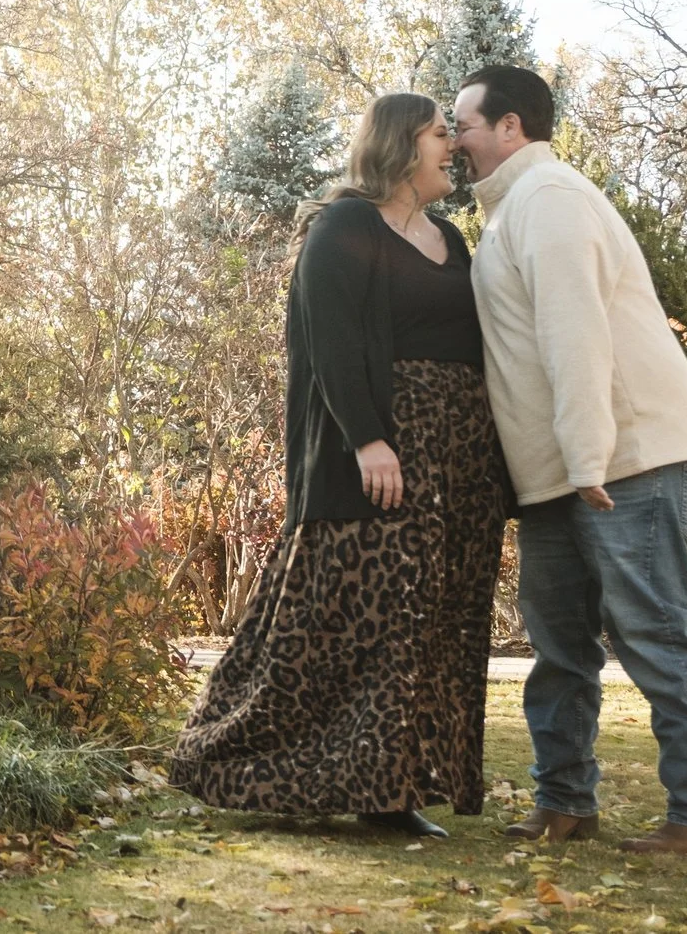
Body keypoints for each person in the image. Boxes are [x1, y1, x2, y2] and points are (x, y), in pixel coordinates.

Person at [171, 93, 512, 838]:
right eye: (436, 133)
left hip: (455, 465)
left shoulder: (451, 239)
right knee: (353, 622)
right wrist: (369, 438)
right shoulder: (345, 225)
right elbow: (328, 340)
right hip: (383, 457)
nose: (450, 144)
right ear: (398, 144)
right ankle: (234, 757)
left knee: (428, 625)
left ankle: (392, 785)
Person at [452, 64, 687, 856]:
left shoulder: (550, 201)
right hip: (560, 474)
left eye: (465, 124)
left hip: (619, 462)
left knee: (653, 632)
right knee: (558, 646)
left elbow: (574, 333)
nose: (454, 141)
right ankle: (565, 800)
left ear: (512, 127)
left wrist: (586, 457)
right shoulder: (515, 209)